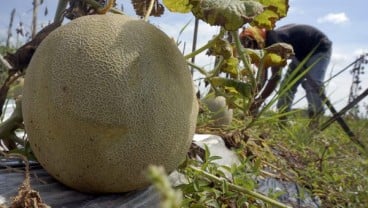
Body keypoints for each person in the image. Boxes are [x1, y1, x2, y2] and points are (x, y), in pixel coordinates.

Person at [239, 24, 332, 124]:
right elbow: (262, 78)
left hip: (318, 47)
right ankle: (282, 121)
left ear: (256, 41)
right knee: (286, 87)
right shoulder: (262, 45)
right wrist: (252, 99)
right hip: (300, 56)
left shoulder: (274, 43)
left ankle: (315, 121)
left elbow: (275, 77)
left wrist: (258, 102)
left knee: (313, 85)